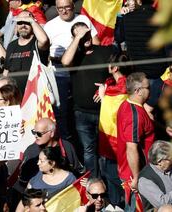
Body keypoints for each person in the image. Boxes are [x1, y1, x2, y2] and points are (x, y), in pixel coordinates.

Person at [61, 22, 114, 177]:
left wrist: (106, 85)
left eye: (86, 34)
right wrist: (77, 38)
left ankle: (108, 186)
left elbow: (118, 75)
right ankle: (93, 184)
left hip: (103, 111)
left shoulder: (105, 51)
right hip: (81, 113)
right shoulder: (74, 56)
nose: (85, 38)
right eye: (80, 35)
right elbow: (64, 62)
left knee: (106, 151)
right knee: (89, 151)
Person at [43, 0, 100, 141]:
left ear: (73, 6)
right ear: (56, 8)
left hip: (81, 70)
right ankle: (66, 143)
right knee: (61, 111)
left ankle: (86, 140)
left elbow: (96, 42)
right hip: (59, 72)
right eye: (60, 8)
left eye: (67, 7)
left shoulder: (82, 19)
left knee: (82, 109)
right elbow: (43, 49)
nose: (63, 11)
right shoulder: (50, 25)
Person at [96, 53, 131, 207]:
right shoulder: (114, 84)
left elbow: (111, 113)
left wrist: (103, 96)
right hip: (120, 139)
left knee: (113, 175)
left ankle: (120, 205)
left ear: (115, 68)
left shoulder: (120, 88)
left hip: (116, 140)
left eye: (110, 63)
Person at [116, 72, 154, 211]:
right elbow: (131, 148)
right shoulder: (134, 116)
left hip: (130, 171)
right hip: (135, 175)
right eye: (147, 87)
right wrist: (137, 179)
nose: (150, 90)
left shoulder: (128, 104)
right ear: (138, 91)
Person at [4, 10, 49, 93]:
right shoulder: (11, 45)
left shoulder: (37, 42)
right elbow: (6, 71)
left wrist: (32, 20)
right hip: (14, 94)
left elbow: (44, 40)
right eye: (20, 22)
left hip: (35, 94)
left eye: (27, 22)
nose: (23, 25)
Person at [138, 140, 172, 210]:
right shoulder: (145, 180)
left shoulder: (168, 167)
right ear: (160, 162)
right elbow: (162, 203)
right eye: (171, 159)